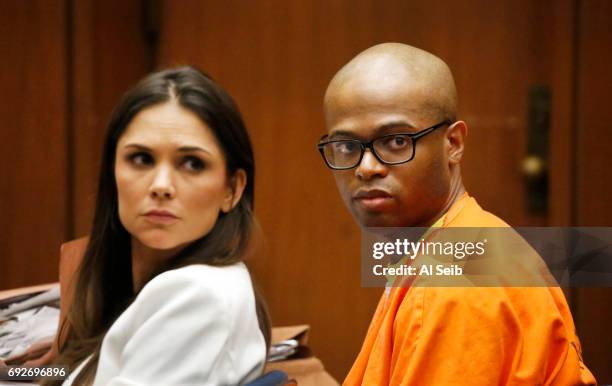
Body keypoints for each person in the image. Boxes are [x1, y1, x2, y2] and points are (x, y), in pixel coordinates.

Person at [318, 43, 597, 385]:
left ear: (453, 143)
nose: (366, 167)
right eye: (347, 146)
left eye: (396, 142)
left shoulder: (451, 286)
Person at [43, 66, 270, 386]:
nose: (161, 185)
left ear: (231, 189)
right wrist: (18, 372)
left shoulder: (194, 296)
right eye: (141, 159)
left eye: (192, 163)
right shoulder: (133, 285)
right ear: (113, 172)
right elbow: (66, 373)